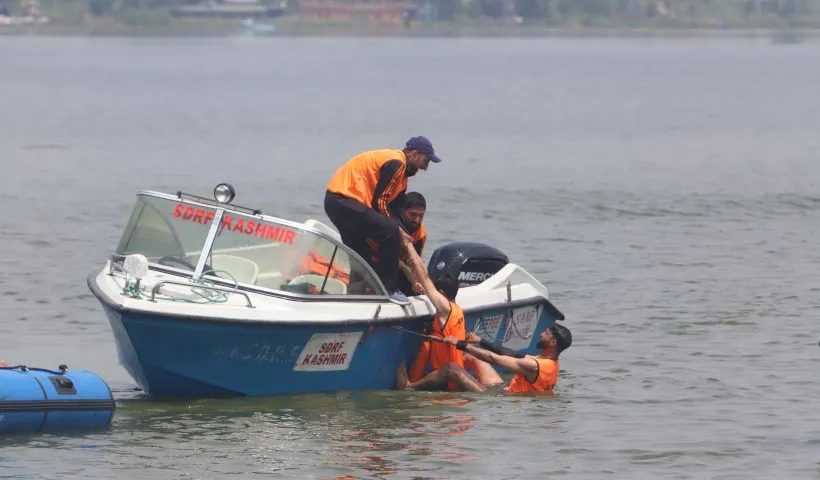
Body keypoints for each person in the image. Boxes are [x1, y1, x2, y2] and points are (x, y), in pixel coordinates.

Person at [324, 137, 441, 303]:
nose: (425, 167)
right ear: (413, 154)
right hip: (343, 200)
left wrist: (407, 243)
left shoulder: (402, 177)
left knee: (361, 254)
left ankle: (355, 296)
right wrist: (398, 232)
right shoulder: (397, 162)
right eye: (426, 160)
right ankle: (390, 289)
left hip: (339, 204)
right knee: (390, 231)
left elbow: (393, 208)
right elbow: (379, 202)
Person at [397, 322, 572, 394]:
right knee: (473, 358)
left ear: (553, 342)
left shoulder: (534, 365)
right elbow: (511, 354)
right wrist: (480, 341)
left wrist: (460, 343)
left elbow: (495, 359)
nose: (541, 334)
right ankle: (441, 379)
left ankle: (410, 386)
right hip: (503, 388)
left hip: (498, 398)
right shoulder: (551, 363)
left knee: (452, 368)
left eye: (546, 333)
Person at [396, 230, 466, 391]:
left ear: (440, 294)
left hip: (448, 382)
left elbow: (425, 279)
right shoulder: (457, 311)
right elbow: (420, 284)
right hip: (453, 380)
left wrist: (407, 245)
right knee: (428, 344)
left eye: (435, 291)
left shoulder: (445, 310)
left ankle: (410, 386)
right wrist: (403, 267)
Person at [393, 191, 428, 296]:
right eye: (413, 215)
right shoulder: (391, 228)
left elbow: (414, 260)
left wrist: (417, 282)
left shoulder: (420, 232)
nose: (417, 220)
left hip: (404, 269)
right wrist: (409, 274)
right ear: (402, 211)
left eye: (421, 216)